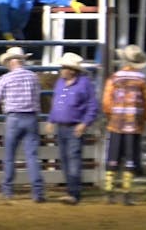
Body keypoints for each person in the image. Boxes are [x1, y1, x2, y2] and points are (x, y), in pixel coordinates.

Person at [0, 47, 45, 203]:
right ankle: (38, 192)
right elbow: (38, 96)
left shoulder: (5, 79)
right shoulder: (33, 77)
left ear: (11, 62)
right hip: (31, 117)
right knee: (32, 156)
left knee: (9, 156)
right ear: (21, 60)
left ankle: (8, 191)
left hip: (13, 118)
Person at [102, 45, 146, 205]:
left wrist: (111, 115)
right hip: (134, 124)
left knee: (113, 157)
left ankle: (109, 192)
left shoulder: (114, 77)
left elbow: (106, 101)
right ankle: (126, 193)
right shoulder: (143, 79)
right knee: (130, 158)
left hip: (116, 123)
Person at [45, 52, 98, 205]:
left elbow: (92, 106)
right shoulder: (60, 82)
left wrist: (84, 123)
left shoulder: (84, 83)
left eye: (64, 68)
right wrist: (51, 120)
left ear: (72, 70)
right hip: (61, 127)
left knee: (73, 159)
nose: (61, 70)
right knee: (65, 160)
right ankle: (71, 191)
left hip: (75, 127)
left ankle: (74, 193)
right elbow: (56, 103)